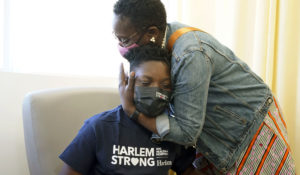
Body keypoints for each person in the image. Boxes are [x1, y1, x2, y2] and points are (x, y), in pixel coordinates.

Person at [113, 0, 296, 174]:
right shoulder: (158, 46)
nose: (121, 47)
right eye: (117, 38)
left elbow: (187, 132)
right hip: (217, 133)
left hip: (249, 129)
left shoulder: (190, 54)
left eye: (125, 40)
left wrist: (133, 112)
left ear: (151, 33)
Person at [59, 44, 200, 175]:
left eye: (165, 85)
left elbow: (189, 170)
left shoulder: (170, 131)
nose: (156, 91)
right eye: (145, 82)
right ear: (128, 83)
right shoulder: (99, 127)